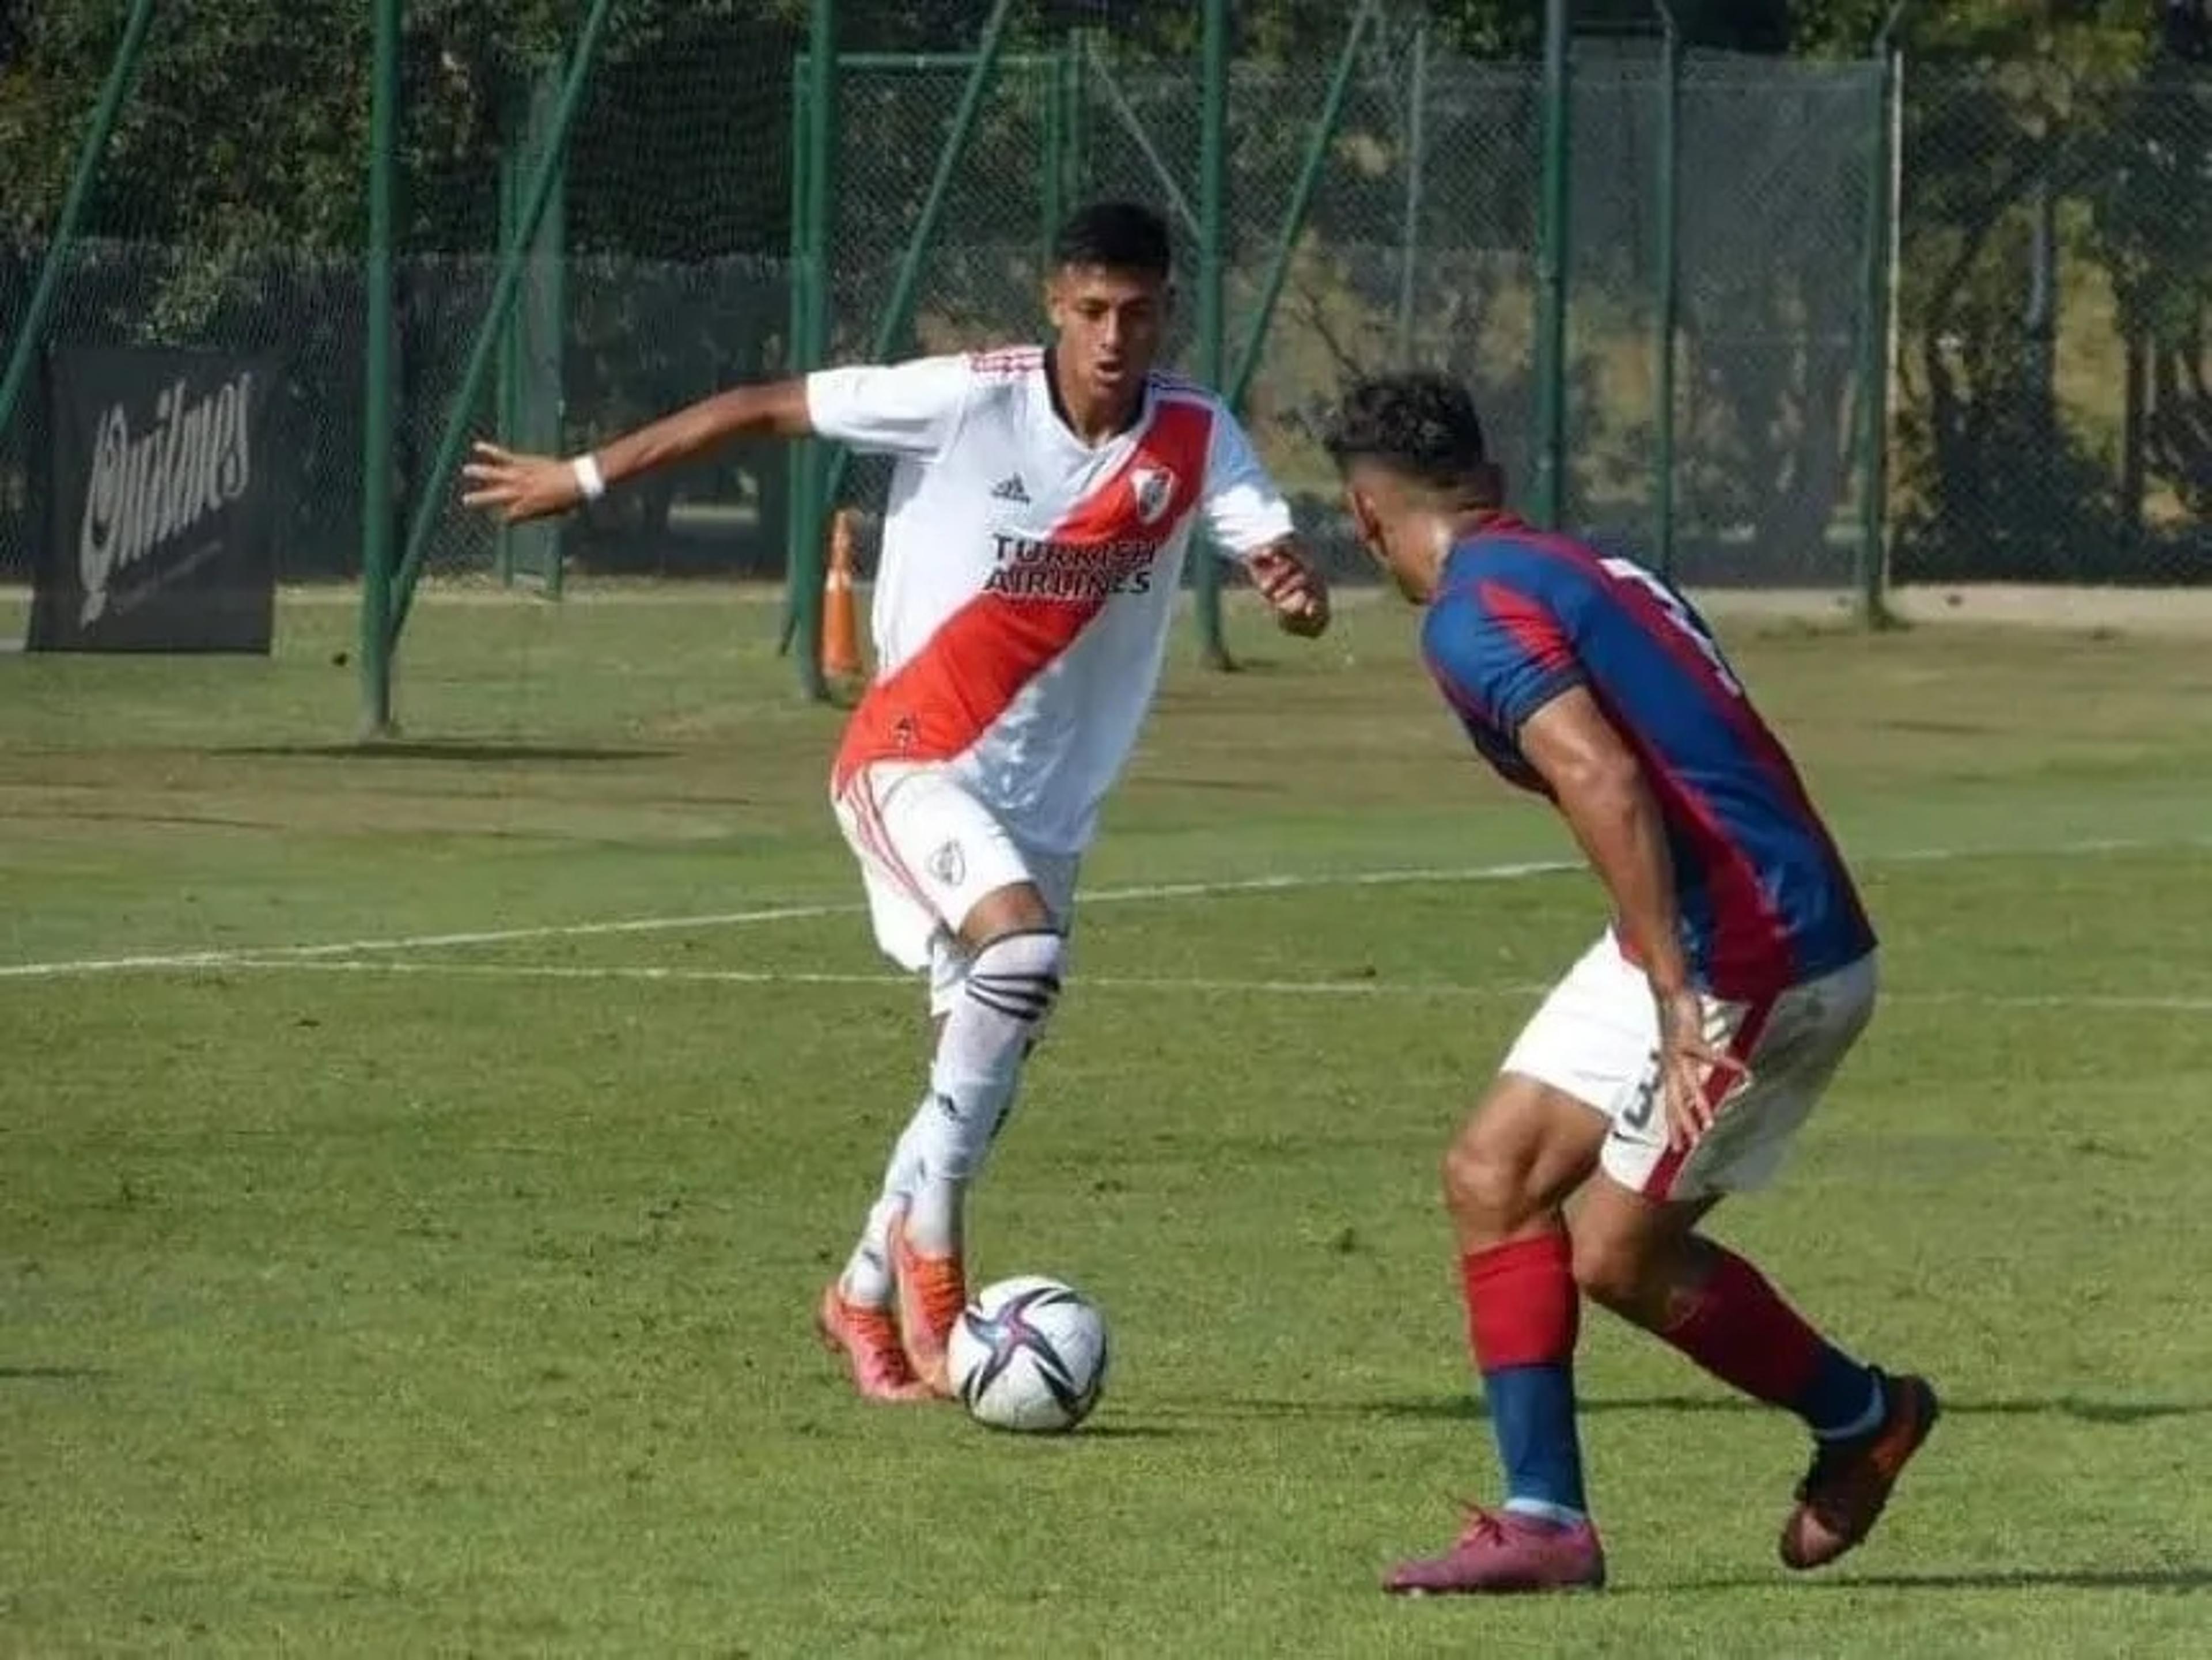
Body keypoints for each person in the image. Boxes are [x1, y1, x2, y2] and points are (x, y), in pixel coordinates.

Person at [461, 200, 1330, 1404]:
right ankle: (935, 1266)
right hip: (911, 753)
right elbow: (766, 406)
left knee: (976, 1079)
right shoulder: (968, 396)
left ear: (1167, 311)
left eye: (1137, 313)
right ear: (1053, 305)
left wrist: (1291, 586)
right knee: (1018, 954)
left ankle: (859, 1296)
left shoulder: (1192, 432)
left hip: (1048, 810)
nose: (1114, 336)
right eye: (1091, 312)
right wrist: (587, 475)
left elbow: (1271, 550)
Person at [1319, 371, 1935, 1594]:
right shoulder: (1572, 568)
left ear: (1366, 519)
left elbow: (1603, 778)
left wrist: (1672, 990)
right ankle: (1544, 1519)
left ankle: (1867, 1415)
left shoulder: (1465, 616)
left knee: (1616, 1256)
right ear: (1486, 482)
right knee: (1492, 1173)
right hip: (1719, 925)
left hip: (1753, 959)